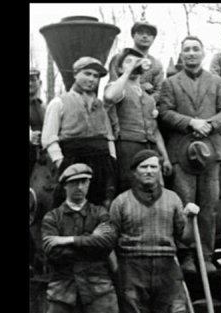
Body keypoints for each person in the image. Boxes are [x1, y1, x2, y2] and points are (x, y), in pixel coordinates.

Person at [108, 150, 199, 313]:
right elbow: (109, 242)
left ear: (161, 171)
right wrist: (119, 271)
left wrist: (189, 219)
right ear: (134, 173)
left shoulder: (173, 199)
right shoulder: (121, 202)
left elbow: (186, 239)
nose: (149, 171)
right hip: (132, 267)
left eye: (153, 167)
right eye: (143, 167)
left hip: (167, 267)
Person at [41, 163, 126, 313]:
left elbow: (106, 242)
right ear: (64, 186)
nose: (79, 187)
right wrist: (91, 242)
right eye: (73, 183)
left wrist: (68, 240)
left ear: (89, 184)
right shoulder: (52, 218)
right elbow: (52, 252)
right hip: (63, 292)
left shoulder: (101, 214)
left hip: (99, 290)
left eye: (84, 182)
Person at [158, 36, 221, 274]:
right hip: (182, 151)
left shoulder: (217, 82)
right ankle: (187, 255)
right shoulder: (170, 83)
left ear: (203, 54)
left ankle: (207, 257)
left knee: (209, 205)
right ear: (181, 55)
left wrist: (208, 125)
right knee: (185, 204)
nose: (191, 53)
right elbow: (164, 112)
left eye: (195, 49)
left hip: (211, 152)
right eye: (187, 50)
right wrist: (191, 122)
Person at [42, 57, 117, 209]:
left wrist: (112, 158)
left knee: (101, 205)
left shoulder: (100, 105)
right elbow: (49, 138)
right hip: (74, 160)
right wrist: (61, 162)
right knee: (72, 205)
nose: (92, 79)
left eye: (96, 76)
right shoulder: (59, 102)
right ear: (75, 74)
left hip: (102, 163)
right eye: (87, 74)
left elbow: (108, 136)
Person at [105, 47, 172, 192]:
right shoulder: (117, 87)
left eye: (137, 61)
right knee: (129, 188)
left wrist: (165, 157)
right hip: (128, 146)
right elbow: (110, 97)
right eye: (128, 61)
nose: (134, 64)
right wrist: (128, 71)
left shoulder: (148, 97)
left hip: (150, 148)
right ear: (120, 68)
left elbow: (155, 130)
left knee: (154, 190)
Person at [108, 21, 165, 102]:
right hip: (120, 104)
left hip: (147, 109)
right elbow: (112, 84)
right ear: (133, 35)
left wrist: (146, 103)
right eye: (140, 33)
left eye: (149, 34)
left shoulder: (156, 64)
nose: (145, 36)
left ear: (153, 38)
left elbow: (159, 91)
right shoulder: (119, 58)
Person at [30, 68, 45, 180]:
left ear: (39, 83)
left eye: (33, 80)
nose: (29, 83)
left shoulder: (43, 107)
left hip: (41, 161)